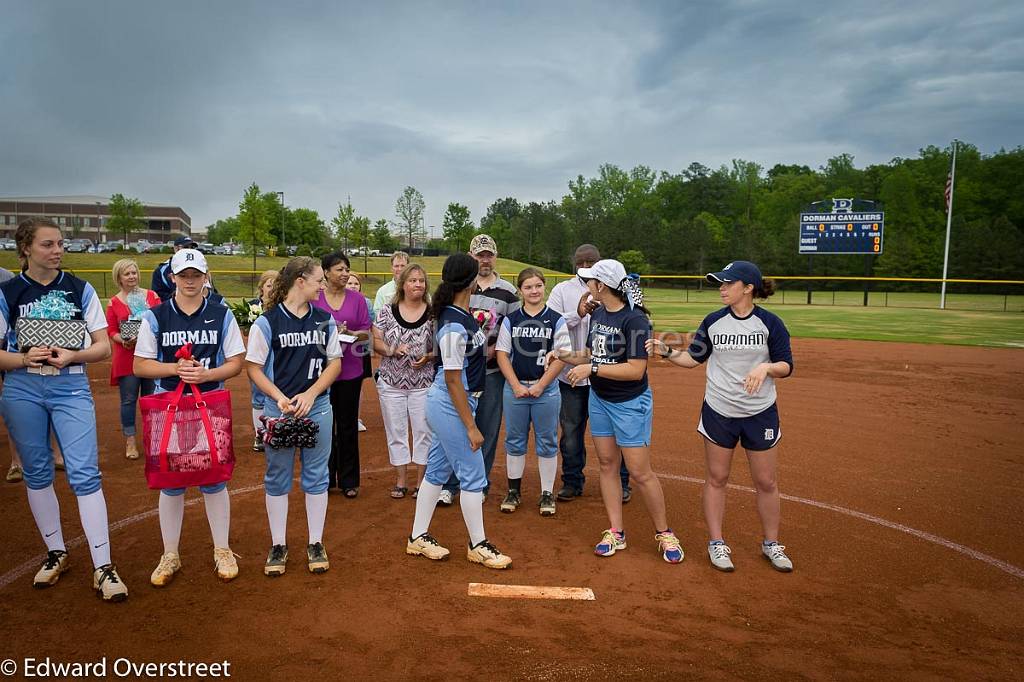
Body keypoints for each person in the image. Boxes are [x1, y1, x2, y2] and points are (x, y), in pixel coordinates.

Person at [0, 217, 129, 600]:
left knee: (85, 472)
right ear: (25, 249)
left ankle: (103, 567)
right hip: (23, 388)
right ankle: (56, 552)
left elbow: (102, 347)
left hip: (70, 386)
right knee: (36, 471)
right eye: (47, 244)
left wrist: (73, 354)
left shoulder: (79, 288)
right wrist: (24, 359)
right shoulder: (8, 293)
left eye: (60, 244)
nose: (57, 251)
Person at [647, 260, 794, 572]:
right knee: (717, 478)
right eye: (720, 283)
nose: (722, 288)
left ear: (748, 287)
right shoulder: (713, 322)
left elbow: (786, 365)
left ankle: (771, 544)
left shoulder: (770, 323)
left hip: (759, 412)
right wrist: (668, 352)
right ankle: (716, 543)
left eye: (728, 283)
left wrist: (766, 366)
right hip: (719, 411)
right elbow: (693, 359)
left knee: (766, 481)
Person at [550, 259, 684, 564]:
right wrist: (561, 354)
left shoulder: (635, 320)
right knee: (608, 464)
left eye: (590, 281)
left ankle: (664, 532)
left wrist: (591, 368)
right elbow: (590, 353)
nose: (586, 286)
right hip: (600, 399)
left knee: (639, 471)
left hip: (629, 404)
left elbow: (636, 370)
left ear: (602, 286)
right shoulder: (597, 313)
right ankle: (616, 531)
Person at [134, 248, 246, 587]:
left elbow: (236, 362)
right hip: (168, 404)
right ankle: (170, 553)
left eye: (196, 275)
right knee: (171, 482)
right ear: (173, 278)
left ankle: (222, 548)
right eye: (184, 275)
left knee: (214, 478)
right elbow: (140, 364)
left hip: (209, 403)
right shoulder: (156, 316)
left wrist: (207, 375)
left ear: (205, 276)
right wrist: (176, 368)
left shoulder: (220, 313)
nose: (190, 281)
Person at [405, 253, 512, 569]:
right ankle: (478, 544)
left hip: (457, 401)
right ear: (470, 281)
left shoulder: (459, 314)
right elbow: (452, 379)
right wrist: (470, 426)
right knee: (473, 475)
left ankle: (417, 537)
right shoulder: (452, 323)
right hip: (453, 403)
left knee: (437, 472)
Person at [246, 257, 342, 576]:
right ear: (300, 281)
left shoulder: (324, 320)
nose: (322, 286)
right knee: (278, 475)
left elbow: (335, 364)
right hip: (280, 409)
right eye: (318, 281)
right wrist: (279, 398)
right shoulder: (268, 322)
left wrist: (312, 393)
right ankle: (279, 544)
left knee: (316, 476)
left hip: (318, 407)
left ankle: (315, 541)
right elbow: (254, 368)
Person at [546, 245, 632, 503]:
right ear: (574, 263)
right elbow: (550, 320)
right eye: (580, 261)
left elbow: (628, 314)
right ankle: (572, 481)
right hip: (571, 374)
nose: (584, 265)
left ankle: (623, 482)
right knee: (571, 431)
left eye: (590, 261)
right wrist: (578, 313)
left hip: (605, 373)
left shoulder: (609, 288)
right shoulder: (562, 290)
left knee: (616, 433)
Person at [438, 234, 519, 506]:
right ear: (471, 257)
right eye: (479, 255)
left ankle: (479, 482)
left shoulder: (507, 290)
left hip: (492, 372)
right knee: (456, 425)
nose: (485, 259)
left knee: (487, 427)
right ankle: (450, 483)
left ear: (495, 256)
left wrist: (498, 348)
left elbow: (514, 327)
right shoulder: (459, 288)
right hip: (460, 370)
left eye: (489, 255)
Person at [495, 268, 571, 516]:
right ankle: (514, 491)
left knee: (547, 441)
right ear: (520, 291)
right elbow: (502, 354)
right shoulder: (512, 319)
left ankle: (547, 493)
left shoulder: (556, 319)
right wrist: (516, 385)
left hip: (546, 390)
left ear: (544, 287)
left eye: (538, 285)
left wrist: (541, 385)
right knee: (515, 440)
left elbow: (561, 356)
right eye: (528, 287)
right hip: (515, 388)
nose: (534, 291)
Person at [371, 263, 433, 499]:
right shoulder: (388, 310)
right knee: (396, 431)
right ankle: (400, 480)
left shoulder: (433, 311)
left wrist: (428, 356)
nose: (418, 284)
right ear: (403, 284)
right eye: (413, 280)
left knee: (423, 431)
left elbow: (441, 345)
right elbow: (374, 341)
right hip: (391, 382)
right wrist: (391, 349)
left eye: (421, 280)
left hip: (423, 383)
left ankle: (421, 482)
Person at [313, 252, 370, 498]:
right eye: (339, 269)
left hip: (350, 370)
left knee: (347, 426)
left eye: (347, 269)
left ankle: (348, 480)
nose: (345, 274)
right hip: (322, 372)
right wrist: (329, 332)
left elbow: (367, 332)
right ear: (326, 272)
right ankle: (325, 478)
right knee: (324, 426)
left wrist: (352, 334)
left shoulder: (357, 299)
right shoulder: (315, 300)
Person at [105, 258, 160, 460]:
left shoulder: (152, 296)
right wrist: (123, 339)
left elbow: (161, 321)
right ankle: (130, 440)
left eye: (134, 272)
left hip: (150, 356)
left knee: (151, 399)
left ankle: (152, 439)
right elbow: (111, 330)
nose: (132, 277)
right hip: (126, 356)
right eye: (127, 273)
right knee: (128, 400)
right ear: (118, 277)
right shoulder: (114, 302)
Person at [249, 270, 279, 451]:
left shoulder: (283, 307)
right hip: (260, 354)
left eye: (276, 285)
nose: (272, 289)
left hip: (278, 353)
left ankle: (282, 429)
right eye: (269, 285)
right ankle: (259, 434)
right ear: (261, 289)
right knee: (259, 392)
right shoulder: (254, 306)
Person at [345, 272, 373, 432]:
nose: (353, 286)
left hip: (359, 348)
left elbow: (369, 324)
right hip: (342, 349)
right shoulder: (339, 300)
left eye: (356, 283)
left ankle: (355, 417)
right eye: (350, 283)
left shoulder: (366, 302)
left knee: (357, 385)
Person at [151, 235, 198, 302]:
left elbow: (211, 292)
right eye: (186, 247)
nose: (189, 250)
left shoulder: (201, 268)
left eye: (192, 248)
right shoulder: (161, 271)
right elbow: (157, 296)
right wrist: (176, 297)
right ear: (175, 249)